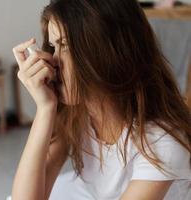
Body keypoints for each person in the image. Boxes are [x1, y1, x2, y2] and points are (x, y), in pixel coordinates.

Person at [11, 0, 191, 199]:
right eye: (53, 46)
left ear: (109, 53)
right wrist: (45, 108)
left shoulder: (161, 143)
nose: (53, 62)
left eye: (66, 46)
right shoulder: (76, 113)